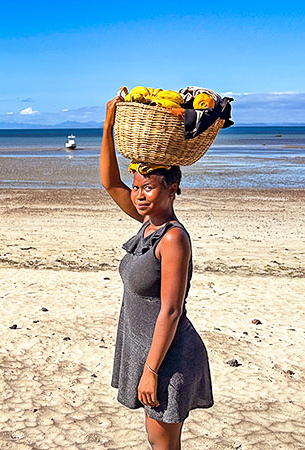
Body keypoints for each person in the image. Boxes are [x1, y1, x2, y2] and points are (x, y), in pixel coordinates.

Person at [100, 98, 213, 450]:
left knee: (163, 445)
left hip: (168, 357)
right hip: (147, 350)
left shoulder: (173, 238)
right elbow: (109, 182)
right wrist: (108, 126)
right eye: (136, 187)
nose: (139, 195)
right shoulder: (148, 225)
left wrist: (151, 371)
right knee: (155, 440)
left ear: (171, 188)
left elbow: (171, 310)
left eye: (148, 187)